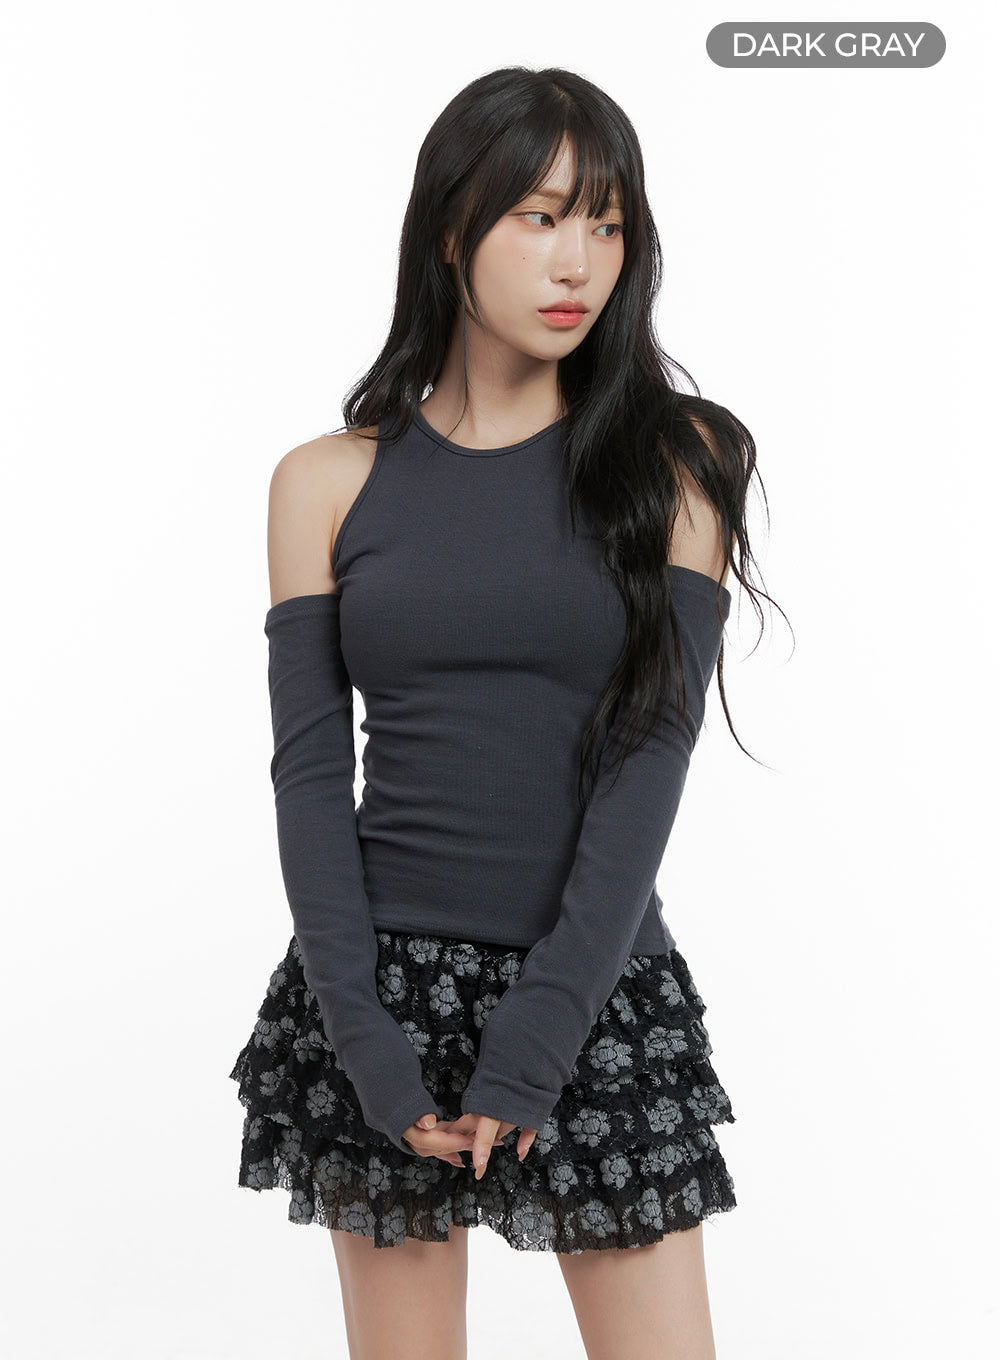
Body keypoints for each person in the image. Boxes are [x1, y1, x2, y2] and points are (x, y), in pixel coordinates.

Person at [230, 64, 776, 1360]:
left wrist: (542, 1028)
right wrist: (363, 1036)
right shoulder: (324, 483)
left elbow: (650, 758)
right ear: (450, 230)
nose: (578, 260)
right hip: (379, 992)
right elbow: (309, 779)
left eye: (607, 224)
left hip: (589, 986)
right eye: (539, 217)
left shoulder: (681, 461)